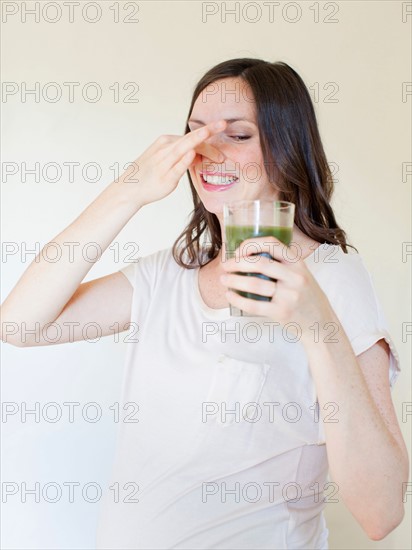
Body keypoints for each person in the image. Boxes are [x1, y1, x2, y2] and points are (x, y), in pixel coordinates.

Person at [1, 58, 408, 549]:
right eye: (195, 134)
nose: (209, 153)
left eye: (237, 135)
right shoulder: (169, 274)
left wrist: (315, 322)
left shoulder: (333, 278)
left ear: (288, 145)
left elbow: (380, 513)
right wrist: (128, 191)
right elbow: (20, 325)